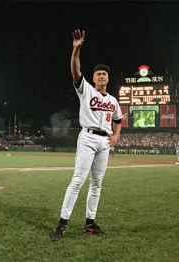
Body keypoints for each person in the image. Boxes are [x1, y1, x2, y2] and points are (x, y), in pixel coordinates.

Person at [50, 29, 123, 241]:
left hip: (105, 142)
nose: (102, 76)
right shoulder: (86, 90)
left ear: (108, 79)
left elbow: (118, 120)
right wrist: (76, 49)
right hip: (88, 138)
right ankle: (62, 224)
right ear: (93, 78)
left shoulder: (113, 100)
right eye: (99, 73)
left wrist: (116, 136)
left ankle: (90, 223)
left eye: (105, 74)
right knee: (78, 181)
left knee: (97, 183)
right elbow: (75, 71)